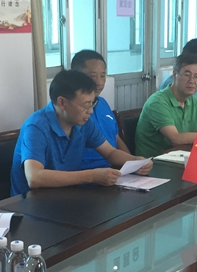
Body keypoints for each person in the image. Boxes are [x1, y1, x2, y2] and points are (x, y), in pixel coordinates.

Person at [10, 70, 151, 195]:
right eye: (86, 105)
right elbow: (34, 177)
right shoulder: (36, 127)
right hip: (32, 203)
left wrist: (136, 161)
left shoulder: (83, 122)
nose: (90, 111)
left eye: (92, 103)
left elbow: (110, 153)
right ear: (62, 103)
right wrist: (91, 176)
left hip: (67, 195)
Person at [135, 53, 197, 158]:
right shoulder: (157, 102)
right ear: (175, 75)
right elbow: (175, 138)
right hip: (153, 163)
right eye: (187, 75)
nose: (192, 81)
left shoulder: (192, 100)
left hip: (181, 157)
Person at [70, 50, 132, 170]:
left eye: (102, 76)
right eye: (92, 76)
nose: (98, 82)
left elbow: (116, 138)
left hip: (113, 167)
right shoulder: (72, 112)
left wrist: (133, 164)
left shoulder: (102, 103)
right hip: (87, 172)